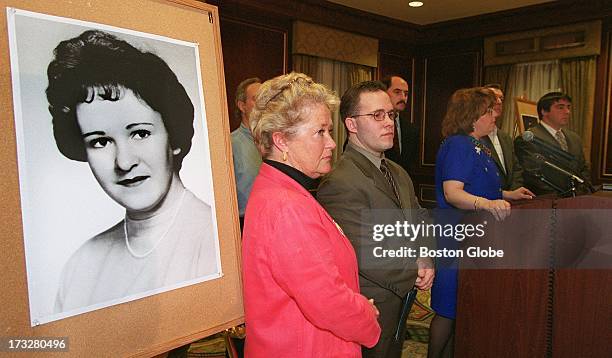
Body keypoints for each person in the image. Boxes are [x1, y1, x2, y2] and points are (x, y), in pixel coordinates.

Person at [46, 30, 218, 313]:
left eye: (139, 133)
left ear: (173, 137)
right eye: (100, 141)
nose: (123, 162)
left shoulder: (214, 241)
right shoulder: (82, 263)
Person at [242, 72, 381, 357]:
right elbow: (328, 302)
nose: (331, 143)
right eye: (320, 132)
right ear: (282, 141)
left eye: (329, 131)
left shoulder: (281, 190)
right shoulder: (287, 206)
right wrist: (367, 316)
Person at [317, 80, 434, 358]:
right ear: (352, 124)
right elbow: (365, 251)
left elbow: (421, 217)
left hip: (401, 298)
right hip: (371, 302)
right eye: (377, 115)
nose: (389, 122)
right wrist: (415, 267)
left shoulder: (397, 171)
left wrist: (427, 256)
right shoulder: (340, 180)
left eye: (391, 114)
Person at [429, 87, 534, 358]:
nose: (494, 115)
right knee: (449, 308)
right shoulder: (459, 144)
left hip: (476, 237)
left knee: (463, 308)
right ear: (473, 115)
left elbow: (479, 187)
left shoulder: (479, 145)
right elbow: (454, 193)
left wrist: (508, 194)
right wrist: (488, 204)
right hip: (458, 237)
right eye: (488, 111)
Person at [514, 91, 593, 196]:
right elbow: (533, 176)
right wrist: (563, 197)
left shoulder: (575, 138)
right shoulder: (529, 139)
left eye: (568, 107)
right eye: (561, 107)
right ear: (544, 111)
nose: (567, 111)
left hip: (578, 200)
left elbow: (583, 169)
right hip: (548, 202)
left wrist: (580, 193)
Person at [231, 78, 262, 228]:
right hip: (244, 224)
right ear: (242, 106)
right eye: (257, 99)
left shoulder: (279, 142)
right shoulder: (230, 144)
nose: (264, 103)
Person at [482, 84, 525, 190]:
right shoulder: (471, 137)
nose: (499, 102)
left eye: (501, 98)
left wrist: (513, 193)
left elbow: (516, 169)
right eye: (494, 98)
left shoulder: (506, 138)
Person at [381, 75, 419, 172]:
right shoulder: (371, 123)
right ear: (384, 93)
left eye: (406, 94)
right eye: (397, 92)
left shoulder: (411, 129)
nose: (403, 97)